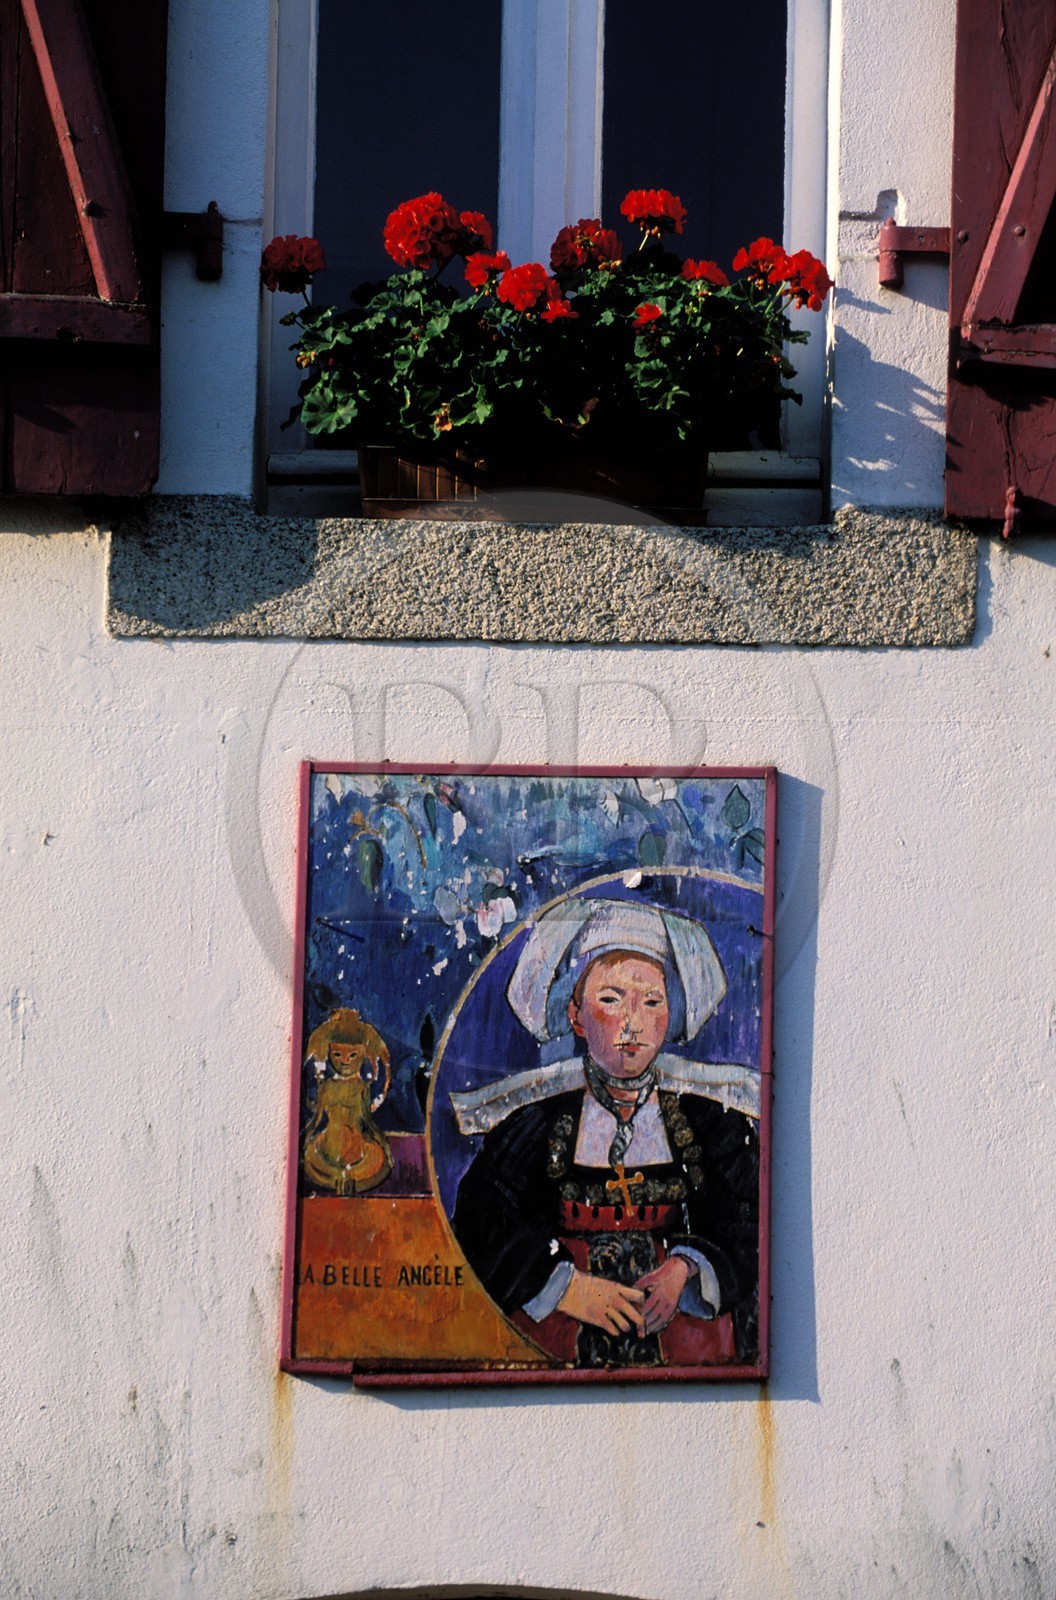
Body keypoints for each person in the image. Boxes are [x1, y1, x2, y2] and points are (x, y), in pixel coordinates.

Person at [449, 896, 760, 1368]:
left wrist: (685, 1268)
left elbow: (750, 1219)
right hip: (559, 1335)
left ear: (669, 1015)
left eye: (651, 1002)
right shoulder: (533, 1126)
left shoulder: (713, 1124)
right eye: (611, 1000)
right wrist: (567, 1286)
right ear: (576, 1015)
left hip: (685, 1340)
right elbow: (480, 1223)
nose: (632, 1023)